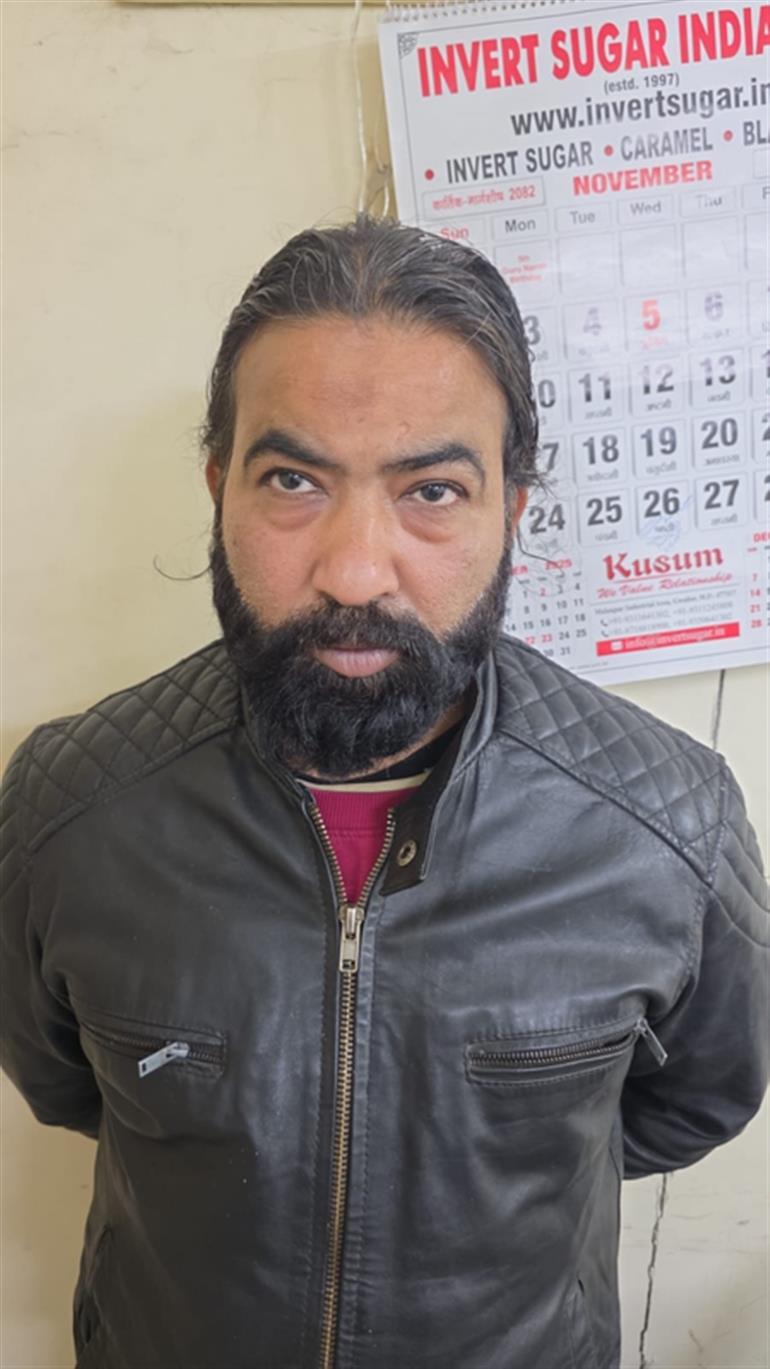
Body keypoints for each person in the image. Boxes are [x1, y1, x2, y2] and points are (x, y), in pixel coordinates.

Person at [1, 216, 767, 1369]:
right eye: (293, 480)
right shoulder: (69, 806)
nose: (356, 570)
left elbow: (694, 1100)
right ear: (218, 489)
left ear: (512, 509)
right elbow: (64, 1080)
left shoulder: (666, 824)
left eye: (432, 491)